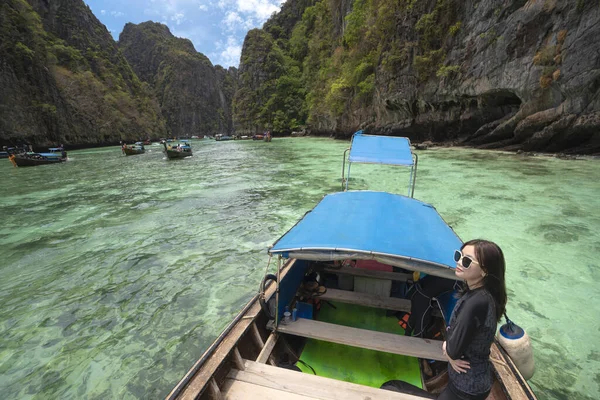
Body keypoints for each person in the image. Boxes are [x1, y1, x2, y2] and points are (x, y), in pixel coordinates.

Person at [438, 239, 507, 400]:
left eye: (467, 261)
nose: (459, 262)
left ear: (484, 271)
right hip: (474, 380)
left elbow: (453, 351)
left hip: (466, 387)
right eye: (459, 256)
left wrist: (447, 347)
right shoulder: (483, 294)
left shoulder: (475, 303)